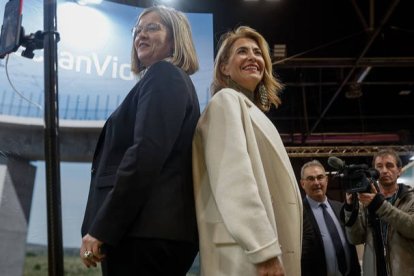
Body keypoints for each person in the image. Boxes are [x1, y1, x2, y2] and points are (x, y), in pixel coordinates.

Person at [80, 6, 200, 275]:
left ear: (175, 38)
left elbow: (145, 154)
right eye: (137, 30)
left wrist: (103, 226)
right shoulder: (165, 79)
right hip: (150, 233)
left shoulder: (164, 75)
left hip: (145, 234)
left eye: (152, 27)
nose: (141, 35)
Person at [192, 26, 303, 276]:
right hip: (245, 254)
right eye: (242, 52)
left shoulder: (252, 111)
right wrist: (263, 249)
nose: (253, 57)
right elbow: (234, 181)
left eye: (258, 52)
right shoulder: (225, 101)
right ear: (224, 67)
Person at [343, 149, 414, 275]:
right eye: (379, 167)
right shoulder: (365, 202)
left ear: (399, 170)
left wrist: (380, 205)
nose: (384, 171)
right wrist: (350, 209)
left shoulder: (410, 198)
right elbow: (355, 238)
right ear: (373, 172)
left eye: (390, 165)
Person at [300, 160, 361, 276]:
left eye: (320, 177)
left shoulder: (341, 208)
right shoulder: (299, 214)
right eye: (311, 179)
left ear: (326, 180)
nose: (317, 182)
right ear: (302, 184)